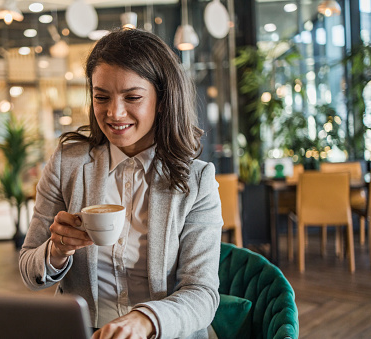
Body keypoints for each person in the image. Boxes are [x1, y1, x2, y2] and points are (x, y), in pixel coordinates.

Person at [19, 28, 223, 339]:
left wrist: (144, 320)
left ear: (162, 99)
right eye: (101, 97)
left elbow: (202, 293)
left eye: (132, 97)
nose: (114, 113)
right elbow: (29, 270)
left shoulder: (197, 180)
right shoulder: (67, 164)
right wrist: (57, 249)